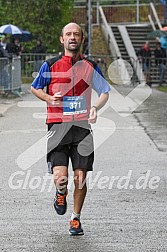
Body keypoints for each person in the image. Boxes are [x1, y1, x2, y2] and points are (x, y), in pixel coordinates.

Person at [31, 22, 110, 235]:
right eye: (68, 34)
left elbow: (104, 91)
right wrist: (49, 98)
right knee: (60, 177)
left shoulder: (91, 66)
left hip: (82, 127)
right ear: (62, 39)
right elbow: (35, 87)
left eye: (76, 34)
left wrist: (95, 107)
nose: (72, 37)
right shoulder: (50, 64)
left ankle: (75, 219)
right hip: (57, 126)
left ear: (82, 39)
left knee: (81, 176)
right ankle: (60, 192)